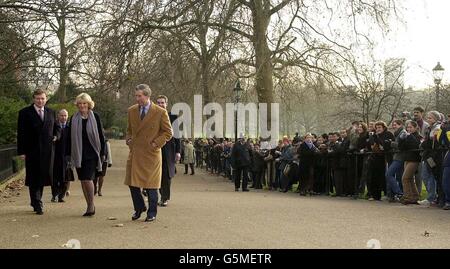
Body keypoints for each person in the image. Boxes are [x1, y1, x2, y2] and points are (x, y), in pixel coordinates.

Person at [125, 84, 173, 222]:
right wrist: (128, 139)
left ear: (147, 96)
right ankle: (139, 208)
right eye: (136, 96)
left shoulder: (160, 112)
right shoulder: (132, 111)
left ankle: (152, 212)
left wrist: (155, 143)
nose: (137, 98)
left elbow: (168, 132)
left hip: (151, 153)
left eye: (139, 96)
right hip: (135, 152)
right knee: (132, 183)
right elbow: (129, 129)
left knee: (151, 185)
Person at [17, 89, 57, 215]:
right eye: (38, 98)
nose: (40, 101)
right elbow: (21, 133)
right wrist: (22, 152)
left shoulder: (51, 112)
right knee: (33, 176)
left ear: (46, 99)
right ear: (33, 99)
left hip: (47, 151)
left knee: (43, 176)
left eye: (43, 98)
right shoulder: (24, 113)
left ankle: (36, 200)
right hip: (31, 150)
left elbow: (56, 128)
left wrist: (56, 136)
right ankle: (37, 202)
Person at [67, 93, 105, 217]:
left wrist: (103, 153)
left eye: (84, 103)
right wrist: (68, 154)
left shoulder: (96, 117)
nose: (82, 105)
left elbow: (101, 135)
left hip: (92, 153)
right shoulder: (73, 118)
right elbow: (69, 138)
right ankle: (89, 203)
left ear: (89, 104)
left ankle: (91, 205)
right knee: (83, 180)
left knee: (88, 178)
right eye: (80, 103)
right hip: (78, 153)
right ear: (77, 105)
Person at [155, 95, 181, 207]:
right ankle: (160, 194)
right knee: (156, 173)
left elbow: (178, 135)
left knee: (166, 174)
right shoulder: (153, 115)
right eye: (159, 103)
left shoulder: (173, 117)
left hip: (169, 149)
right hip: (155, 148)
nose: (161, 104)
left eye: (162, 103)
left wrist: (178, 151)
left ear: (166, 104)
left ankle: (165, 197)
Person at [51, 109, 74, 203]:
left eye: (65, 116)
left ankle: (61, 196)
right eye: (61, 115)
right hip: (55, 156)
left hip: (67, 156)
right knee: (55, 176)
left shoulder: (70, 128)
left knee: (66, 177)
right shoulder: (54, 127)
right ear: (58, 116)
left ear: (67, 116)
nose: (63, 117)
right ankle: (55, 195)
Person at [398, 120, 422, 205]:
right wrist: (401, 139)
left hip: (414, 159)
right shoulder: (407, 136)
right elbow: (401, 148)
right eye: (407, 127)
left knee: (405, 178)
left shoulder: (418, 136)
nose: (409, 129)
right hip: (407, 159)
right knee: (410, 179)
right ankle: (415, 197)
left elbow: (415, 145)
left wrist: (410, 136)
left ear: (416, 128)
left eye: (411, 127)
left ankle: (408, 197)